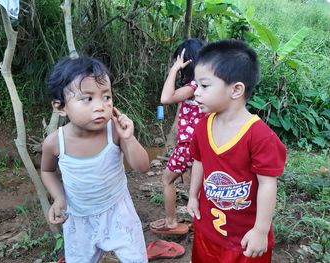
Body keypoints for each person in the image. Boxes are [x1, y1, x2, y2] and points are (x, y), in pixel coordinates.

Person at [40, 56, 149, 263]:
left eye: (106, 97)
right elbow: (47, 171)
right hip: (78, 218)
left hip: (118, 212)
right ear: (60, 107)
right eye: (88, 99)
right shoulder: (55, 143)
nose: (100, 106)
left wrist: (130, 139)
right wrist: (59, 197)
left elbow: (142, 167)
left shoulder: (114, 132)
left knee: (135, 259)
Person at [187, 39, 286, 262]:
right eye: (196, 86)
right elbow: (199, 161)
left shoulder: (259, 136)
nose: (196, 93)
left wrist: (261, 231)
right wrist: (193, 196)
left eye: (204, 85)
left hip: (245, 242)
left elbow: (267, 183)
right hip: (208, 232)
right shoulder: (203, 126)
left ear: (236, 89)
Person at [150, 38, 205, 235]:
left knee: (167, 180)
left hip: (188, 146)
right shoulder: (205, 85)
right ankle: (200, 221)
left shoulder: (193, 86)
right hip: (198, 145)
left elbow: (165, 98)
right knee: (197, 185)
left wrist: (174, 69)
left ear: (187, 61)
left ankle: (171, 221)